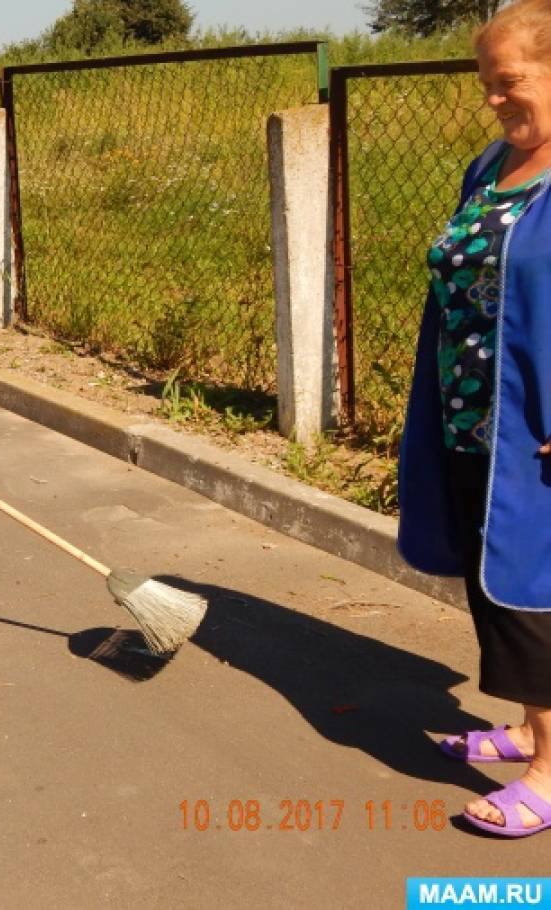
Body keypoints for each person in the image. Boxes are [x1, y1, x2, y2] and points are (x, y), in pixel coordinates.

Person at [399, 0, 551, 837]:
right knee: (494, 581)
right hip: (472, 416)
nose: (491, 100)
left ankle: (549, 768)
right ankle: (532, 729)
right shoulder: (489, 166)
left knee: (534, 593)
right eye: (484, 84)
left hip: (537, 426)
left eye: (508, 83)